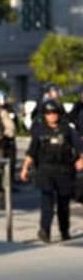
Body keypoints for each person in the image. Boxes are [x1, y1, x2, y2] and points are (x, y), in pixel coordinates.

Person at [19, 99, 83, 243]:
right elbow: (32, 152)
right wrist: (24, 168)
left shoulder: (67, 129)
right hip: (45, 170)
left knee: (63, 203)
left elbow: (79, 146)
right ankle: (45, 230)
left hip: (65, 170)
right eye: (48, 113)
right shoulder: (39, 130)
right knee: (46, 201)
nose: (51, 115)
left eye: (54, 112)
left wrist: (81, 159)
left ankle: (64, 230)